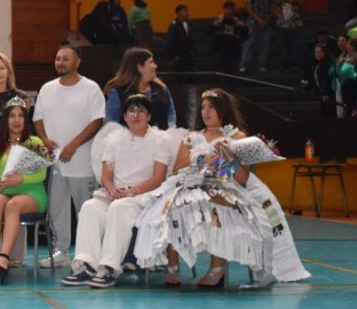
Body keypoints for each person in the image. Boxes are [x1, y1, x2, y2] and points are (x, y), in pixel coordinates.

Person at [133, 89, 310, 288]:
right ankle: (172, 267)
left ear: (223, 110)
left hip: (225, 187)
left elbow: (242, 178)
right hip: (191, 186)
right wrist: (200, 161)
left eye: (211, 108)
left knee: (219, 208)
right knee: (173, 207)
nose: (205, 112)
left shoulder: (237, 137)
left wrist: (228, 157)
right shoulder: (191, 137)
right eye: (203, 108)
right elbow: (176, 170)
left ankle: (217, 270)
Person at [61, 94, 169, 289]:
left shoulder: (161, 141)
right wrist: (111, 189)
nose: (136, 114)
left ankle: (108, 268)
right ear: (125, 117)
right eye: (131, 111)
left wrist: (132, 191)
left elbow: (159, 178)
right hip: (114, 194)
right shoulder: (113, 141)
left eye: (141, 111)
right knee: (90, 207)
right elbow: (106, 175)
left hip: (143, 197)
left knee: (119, 208)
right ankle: (86, 266)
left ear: (149, 116)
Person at [33, 44, 105, 268]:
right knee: (57, 210)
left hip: (82, 165)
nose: (60, 62)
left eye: (66, 58)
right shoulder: (47, 89)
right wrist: (44, 139)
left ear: (77, 62)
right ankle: (60, 252)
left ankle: (88, 256)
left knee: (86, 212)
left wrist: (74, 144)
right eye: (58, 59)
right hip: (55, 165)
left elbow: (97, 121)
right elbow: (37, 119)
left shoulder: (91, 88)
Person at [0, 97, 48, 284]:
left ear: (26, 120)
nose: (17, 120)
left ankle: (4, 257)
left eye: (21, 116)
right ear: (6, 120)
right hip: (6, 192)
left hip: (32, 193)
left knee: (13, 205)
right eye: (12, 116)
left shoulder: (35, 141)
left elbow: (42, 174)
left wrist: (21, 179)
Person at [104, 47, 176, 130]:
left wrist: (169, 133)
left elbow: (171, 118)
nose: (155, 66)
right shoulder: (119, 92)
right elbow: (111, 125)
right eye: (151, 62)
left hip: (161, 136)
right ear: (139, 67)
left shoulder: (161, 88)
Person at [240, 0, 277, 73]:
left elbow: (272, 10)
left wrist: (265, 21)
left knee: (264, 45)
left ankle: (261, 65)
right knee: (249, 44)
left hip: (266, 24)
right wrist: (258, 19)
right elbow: (249, 8)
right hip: (252, 23)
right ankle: (244, 65)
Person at [209, 0, 247, 73]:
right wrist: (213, 26)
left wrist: (243, 27)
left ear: (234, 10)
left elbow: (245, 36)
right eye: (227, 8)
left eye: (231, 8)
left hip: (232, 52)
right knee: (219, 73)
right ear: (224, 9)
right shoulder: (218, 19)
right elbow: (207, 32)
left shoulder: (237, 21)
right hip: (219, 51)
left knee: (232, 73)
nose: (229, 11)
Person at [332, 34, 357, 117]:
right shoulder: (341, 55)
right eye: (339, 41)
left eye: (343, 41)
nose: (340, 43)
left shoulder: (355, 55)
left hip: (353, 85)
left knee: (351, 106)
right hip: (343, 84)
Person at [277, 0, 304, 69]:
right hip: (283, 24)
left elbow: (295, 0)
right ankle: (284, 65)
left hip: (294, 24)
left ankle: (293, 65)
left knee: (294, 45)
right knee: (284, 46)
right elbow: (276, 2)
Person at [307, 44, 337, 118]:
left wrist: (325, 93)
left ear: (325, 52)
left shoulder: (327, 64)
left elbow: (326, 79)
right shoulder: (317, 64)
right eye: (316, 52)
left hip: (329, 93)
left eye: (320, 52)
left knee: (329, 114)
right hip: (322, 93)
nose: (318, 54)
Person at [165, 4, 195, 72]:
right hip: (179, 56)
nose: (187, 13)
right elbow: (171, 41)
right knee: (180, 74)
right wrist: (174, 55)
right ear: (179, 12)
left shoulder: (188, 24)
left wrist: (192, 50)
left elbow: (190, 39)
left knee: (190, 74)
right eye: (185, 11)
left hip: (188, 55)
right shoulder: (173, 25)